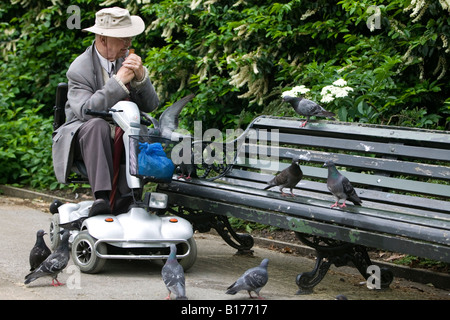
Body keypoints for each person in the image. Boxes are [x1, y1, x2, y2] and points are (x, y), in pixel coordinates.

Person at [52, 7, 159, 216]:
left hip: (121, 129)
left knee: (137, 129)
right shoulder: (79, 69)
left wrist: (140, 79)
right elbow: (86, 111)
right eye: (122, 38)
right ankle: (102, 197)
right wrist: (118, 82)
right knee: (98, 126)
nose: (128, 44)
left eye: (129, 37)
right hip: (85, 133)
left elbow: (151, 105)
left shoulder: (127, 57)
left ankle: (131, 198)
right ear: (102, 39)